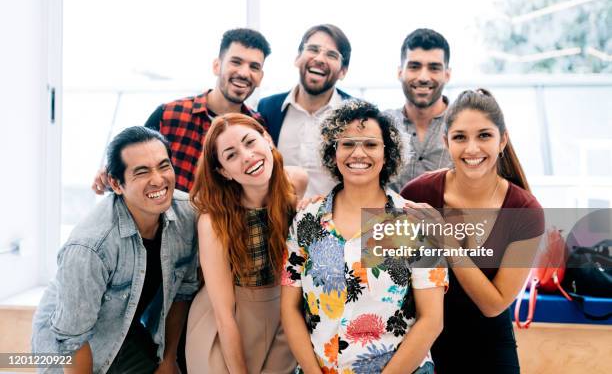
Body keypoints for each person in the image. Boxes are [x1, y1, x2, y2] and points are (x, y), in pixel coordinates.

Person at [281, 99, 448, 373]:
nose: (358, 153)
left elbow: (432, 319)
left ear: (388, 153)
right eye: (347, 143)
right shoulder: (307, 219)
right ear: (333, 151)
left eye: (370, 144)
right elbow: (290, 309)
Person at [32, 126, 199, 373]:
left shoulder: (187, 214)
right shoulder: (90, 246)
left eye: (164, 166)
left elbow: (183, 292)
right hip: (65, 349)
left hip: (125, 333)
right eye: (142, 172)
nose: (158, 179)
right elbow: (71, 340)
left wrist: (168, 360)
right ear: (116, 184)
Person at [401, 89, 545, 373]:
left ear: (502, 139)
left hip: (489, 347)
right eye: (460, 137)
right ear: (446, 142)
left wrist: (443, 239)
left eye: (484, 136)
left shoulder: (526, 211)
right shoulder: (417, 194)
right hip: (420, 343)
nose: (471, 149)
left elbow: (493, 305)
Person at [186, 113, 307, 373]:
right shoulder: (214, 220)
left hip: (282, 315)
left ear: (267, 139)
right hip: (225, 324)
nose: (247, 156)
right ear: (223, 172)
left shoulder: (295, 183)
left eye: (250, 142)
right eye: (231, 155)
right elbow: (223, 313)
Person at [92, 28, 271, 194]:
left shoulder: (259, 126)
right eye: (236, 62)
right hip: (171, 226)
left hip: (227, 226)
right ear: (217, 66)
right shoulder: (169, 115)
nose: (244, 73)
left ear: (261, 77)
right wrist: (109, 178)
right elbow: (132, 167)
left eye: (254, 67)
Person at [258, 24, 352, 197]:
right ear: (297, 58)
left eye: (331, 55)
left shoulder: (357, 114)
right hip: (279, 220)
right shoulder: (267, 108)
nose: (320, 59)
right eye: (313, 49)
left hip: (337, 221)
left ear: (343, 71)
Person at [386, 28, 454, 192]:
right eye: (414, 67)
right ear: (400, 72)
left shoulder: (464, 126)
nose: (423, 77)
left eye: (434, 68)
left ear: (447, 74)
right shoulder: (381, 125)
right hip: (387, 218)